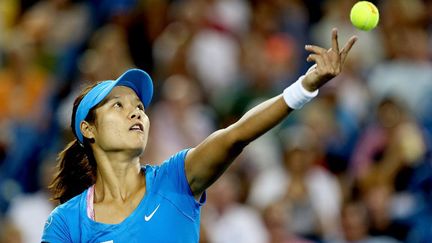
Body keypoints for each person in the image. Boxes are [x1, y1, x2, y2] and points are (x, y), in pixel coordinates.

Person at [41, 28, 357, 242]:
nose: (136, 112)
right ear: (89, 129)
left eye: (139, 105)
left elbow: (236, 135)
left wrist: (305, 87)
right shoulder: (65, 223)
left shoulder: (176, 178)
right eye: (118, 106)